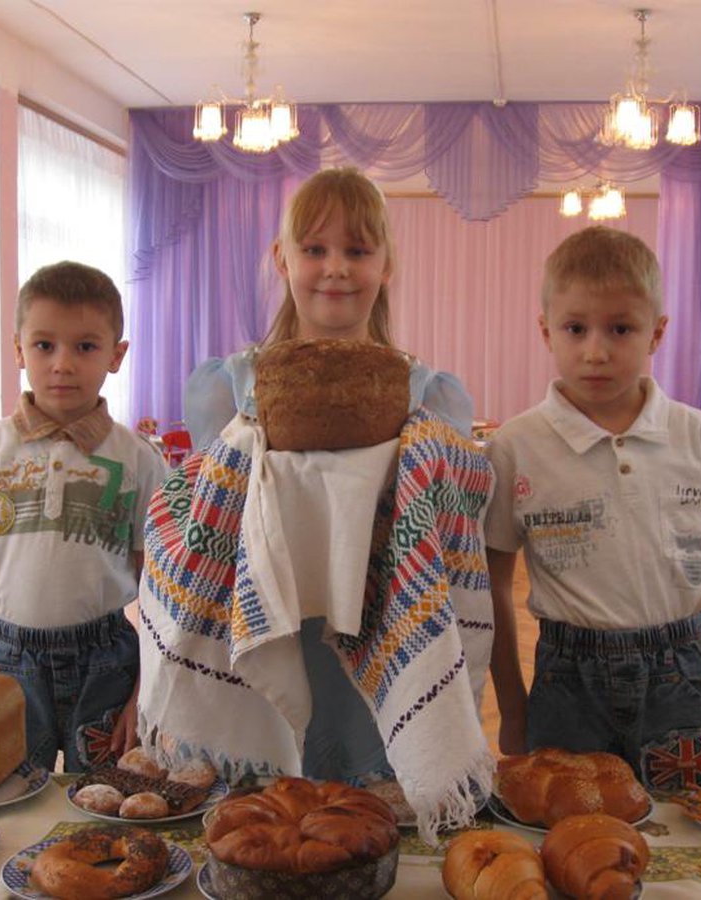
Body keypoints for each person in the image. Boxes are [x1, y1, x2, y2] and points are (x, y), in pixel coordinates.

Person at [180, 167, 479, 784]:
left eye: (357, 250)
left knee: (363, 815)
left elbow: (444, 541)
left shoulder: (431, 397)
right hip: (259, 629)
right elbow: (205, 520)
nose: (335, 267)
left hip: (374, 635)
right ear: (281, 259)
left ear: (387, 263)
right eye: (314, 249)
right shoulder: (227, 388)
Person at [485, 226, 701, 792]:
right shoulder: (515, 447)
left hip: (684, 677)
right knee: (572, 839)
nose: (596, 350)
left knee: (699, 829)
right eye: (576, 328)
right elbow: (491, 587)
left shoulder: (700, 437)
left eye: (620, 328)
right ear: (547, 331)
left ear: (656, 333)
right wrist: (513, 707)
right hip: (567, 683)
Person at [0, 261, 168, 773]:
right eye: (44, 345)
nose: (62, 363)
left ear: (116, 355)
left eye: (85, 346)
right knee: (11, 791)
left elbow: (159, 589)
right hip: (5, 659)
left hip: (107, 660)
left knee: (102, 797)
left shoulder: (139, 459)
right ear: (18, 350)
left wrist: (146, 689)